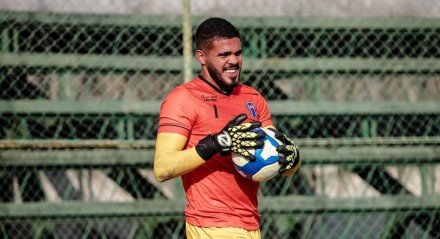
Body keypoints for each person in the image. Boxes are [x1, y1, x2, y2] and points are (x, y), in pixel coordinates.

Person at [154, 17, 301, 239]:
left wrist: (292, 159)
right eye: (224, 55)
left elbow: (272, 160)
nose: (234, 61)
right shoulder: (182, 99)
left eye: (238, 53)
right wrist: (216, 143)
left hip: (251, 225)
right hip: (210, 227)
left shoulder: (253, 98)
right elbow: (162, 168)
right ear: (201, 57)